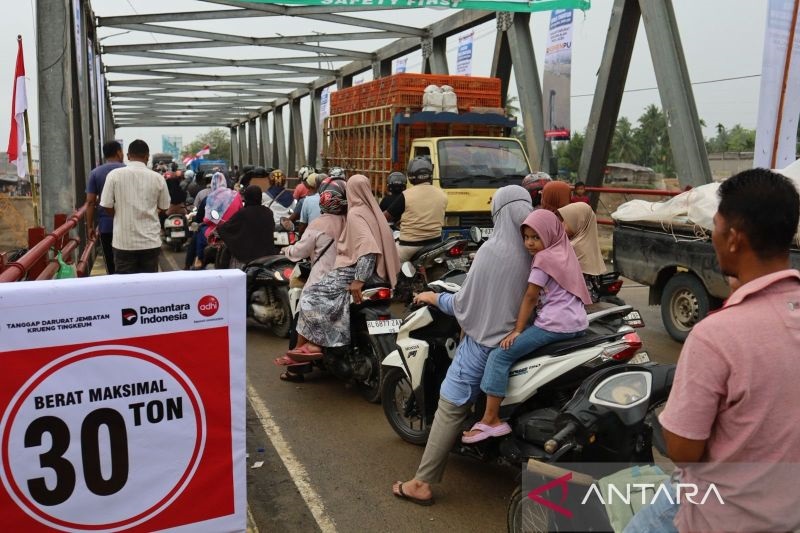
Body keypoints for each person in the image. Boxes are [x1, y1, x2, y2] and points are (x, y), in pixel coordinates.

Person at [624, 169, 800, 533]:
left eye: (715, 228)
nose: (712, 238)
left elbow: (683, 449)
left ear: (734, 239)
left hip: (722, 513)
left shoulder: (716, 336)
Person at [391, 185, 532, 506]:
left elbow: (467, 303)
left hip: (485, 343)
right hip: (523, 341)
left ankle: (421, 483)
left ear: (497, 211)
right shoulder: (538, 246)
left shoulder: (493, 250)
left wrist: (434, 297)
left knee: (450, 404)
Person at [461, 209, 591, 442]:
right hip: (578, 322)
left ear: (549, 235)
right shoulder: (564, 250)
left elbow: (531, 296)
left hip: (554, 325)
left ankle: (491, 419)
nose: (530, 243)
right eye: (526, 237)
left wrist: (518, 329)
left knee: (500, 356)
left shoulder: (543, 259)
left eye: (536, 237)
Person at [287, 174, 400, 359]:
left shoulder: (355, 214)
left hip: (354, 271)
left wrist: (358, 280)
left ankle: (316, 344)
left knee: (310, 296)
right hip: (375, 273)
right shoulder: (372, 211)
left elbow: (368, 248)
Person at [277, 179, 348, 382]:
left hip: (323, 279)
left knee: (301, 315)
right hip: (348, 280)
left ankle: (296, 369)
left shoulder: (319, 224)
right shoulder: (352, 221)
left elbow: (300, 250)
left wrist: (287, 249)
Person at [99, 139, 170, 274]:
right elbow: (164, 206)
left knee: (126, 287)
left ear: (128, 155)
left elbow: (106, 205)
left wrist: (119, 215)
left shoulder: (114, 176)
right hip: (150, 242)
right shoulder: (158, 178)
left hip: (124, 242)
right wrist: (150, 212)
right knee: (149, 287)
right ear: (147, 157)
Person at [385, 156, 448, 262]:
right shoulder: (442, 194)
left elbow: (386, 216)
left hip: (409, 247)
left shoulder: (406, 195)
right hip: (436, 243)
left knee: (385, 263)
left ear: (410, 176)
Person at [85, 140, 125, 274]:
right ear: (119, 153)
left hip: (106, 226)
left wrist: (90, 226)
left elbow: (90, 202)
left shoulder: (95, 173)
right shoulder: (128, 171)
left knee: (111, 264)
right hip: (128, 225)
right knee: (128, 264)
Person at [216, 185, 276, 269]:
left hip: (246, 257)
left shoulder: (243, 213)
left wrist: (219, 228)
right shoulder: (268, 212)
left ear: (247, 197)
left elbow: (228, 228)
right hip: (267, 256)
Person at [556, 202, 606, 276]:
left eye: (566, 221)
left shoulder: (573, 247)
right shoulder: (589, 244)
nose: (562, 224)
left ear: (578, 222)